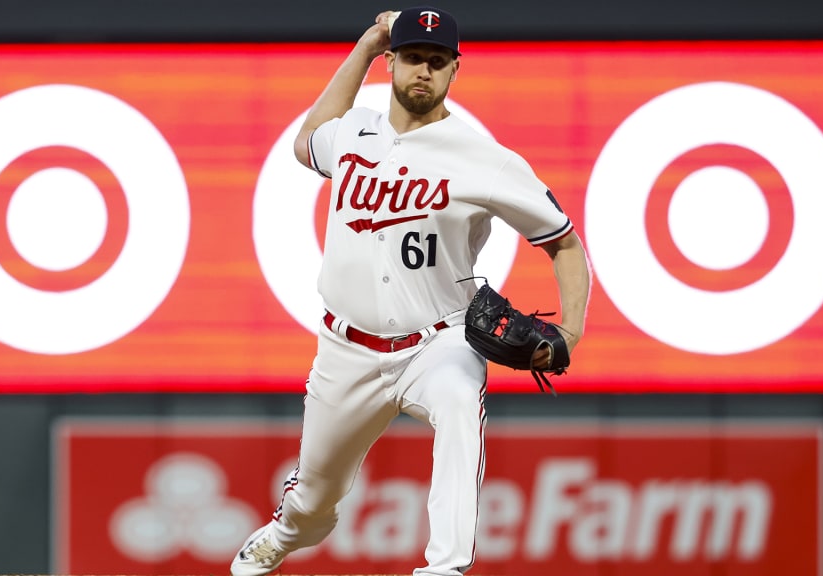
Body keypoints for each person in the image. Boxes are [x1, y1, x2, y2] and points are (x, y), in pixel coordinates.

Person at [231, 6, 591, 576]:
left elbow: (564, 242)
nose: (424, 70)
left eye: (438, 60)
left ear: (455, 70)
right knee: (315, 499)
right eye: (414, 57)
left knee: (459, 404)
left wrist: (570, 330)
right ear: (391, 62)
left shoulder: (485, 159)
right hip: (345, 349)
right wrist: (365, 44)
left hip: (437, 342)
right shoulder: (354, 131)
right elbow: (305, 145)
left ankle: (445, 567)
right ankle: (286, 531)